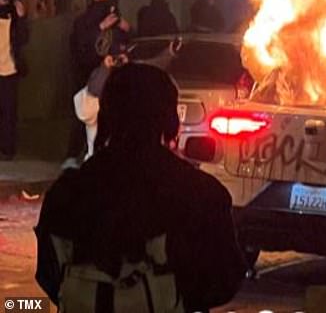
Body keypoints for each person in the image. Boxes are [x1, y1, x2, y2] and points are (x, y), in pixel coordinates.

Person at [35, 63, 245, 312]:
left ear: (106, 114)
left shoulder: (67, 190)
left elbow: (49, 275)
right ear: (170, 119)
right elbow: (224, 281)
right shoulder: (201, 192)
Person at [64, 0, 131, 167]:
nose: (102, 5)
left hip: (109, 81)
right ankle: (75, 156)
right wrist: (100, 27)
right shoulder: (84, 23)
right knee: (86, 119)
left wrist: (125, 31)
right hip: (89, 79)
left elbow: (124, 44)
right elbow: (81, 46)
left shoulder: (115, 25)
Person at [0, 0, 29, 159]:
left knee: (9, 113)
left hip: (9, 70)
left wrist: (21, 17)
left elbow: (23, 39)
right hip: (7, 69)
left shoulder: (14, 18)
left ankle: (7, 149)